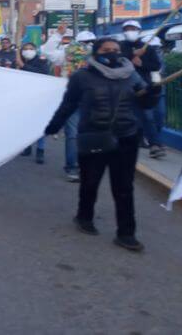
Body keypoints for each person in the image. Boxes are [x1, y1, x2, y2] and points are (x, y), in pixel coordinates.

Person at [44, 38, 148, 252]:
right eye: (106, 50)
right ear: (96, 52)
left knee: (124, 188)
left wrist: (153, 92)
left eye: (116, 50)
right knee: (90, 182)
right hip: (94, 137)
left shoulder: (131, 75)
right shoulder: (82, 77)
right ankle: (84, 217)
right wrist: (53, 127)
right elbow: (68, 104)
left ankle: (126, 233)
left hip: (126, 137)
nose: (112, 53)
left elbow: (145, 102)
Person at [42, 25, 97, 182]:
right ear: (76, 43)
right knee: (73, 135)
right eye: (86, 42)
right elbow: (47, 52)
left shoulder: (100, 56)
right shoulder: (66, 54)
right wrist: (58, 35)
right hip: (75, 98)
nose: (89, 45)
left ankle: (83, 166)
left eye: (92, 42)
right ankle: (73, 167)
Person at [120, 20, 164, 159]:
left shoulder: (147, 48)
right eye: (127, 28)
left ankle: (154, 145)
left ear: (138, 31)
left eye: (133, 28)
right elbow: (114, 61)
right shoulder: (119, 47)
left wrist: (142, 63)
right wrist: (131, 57)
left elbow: (156, 66)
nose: (130, 31)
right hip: (123, 87)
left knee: (147, 116)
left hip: (144, 87)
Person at [16, 42, 51, 163]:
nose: (28, 51)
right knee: (25, 124)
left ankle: (40, 151)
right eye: (25, 49)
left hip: (40, 97)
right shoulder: (20, 60)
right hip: (24, 97)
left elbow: (44, 72)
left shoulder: (41, 60)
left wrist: (23, 66)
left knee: (40, 125)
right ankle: (27, 147)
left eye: (31, 49)